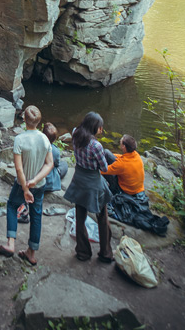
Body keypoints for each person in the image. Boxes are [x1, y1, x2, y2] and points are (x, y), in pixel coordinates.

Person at [0, 105, 53, 265]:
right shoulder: (44, 139)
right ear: (39, 122)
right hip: (39, 185)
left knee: (12, 206)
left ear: (24, 120)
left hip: (22, 184)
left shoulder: (20, 139)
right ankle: (31, 253)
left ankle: (10, 244)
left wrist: (26, 188)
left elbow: (19, 168)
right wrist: (35, 180)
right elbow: (49, 164)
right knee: (36, 215)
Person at [63, 112, 113, 263]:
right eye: (100, 127)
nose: (101, 130)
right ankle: (105, 253)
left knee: (80, 217)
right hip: (93, 182)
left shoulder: (75, 133)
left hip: (79, 179)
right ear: (94, 127)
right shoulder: (96, 146)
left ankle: (83, 252)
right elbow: (104, 168)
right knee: (102, 218)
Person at [43, 122, 69, 192]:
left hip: (37, 175)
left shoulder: (37, 145)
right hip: (48, 181)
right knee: (64, 164)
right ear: (54, 139)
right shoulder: (54, 150)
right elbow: (57, 164)